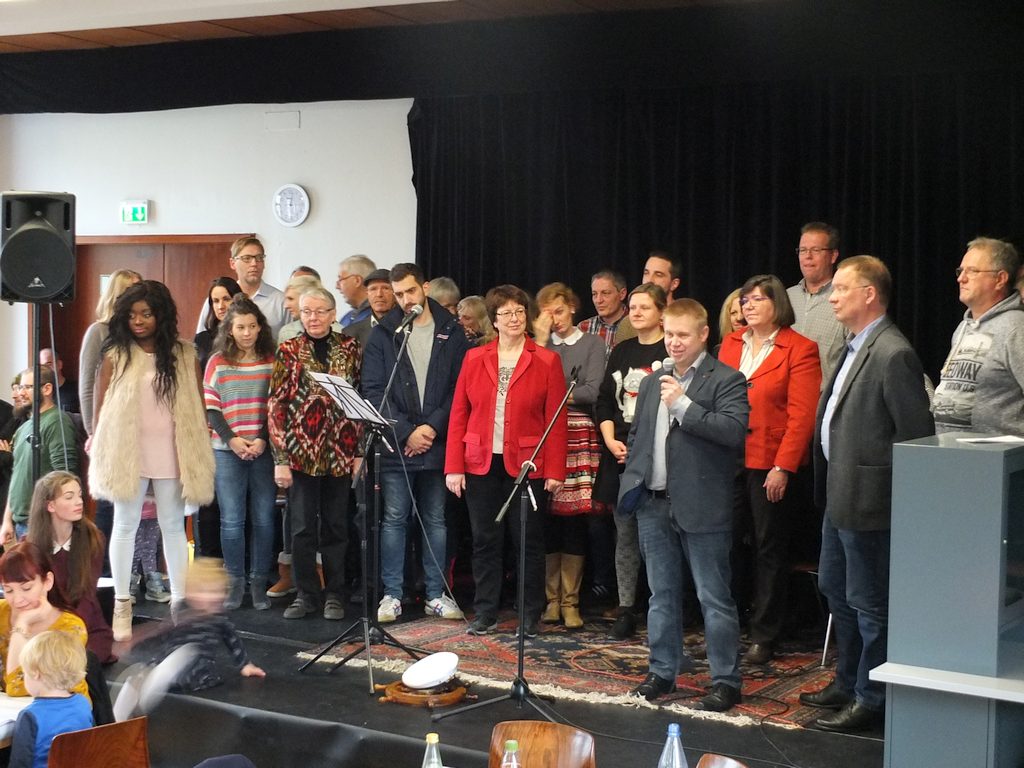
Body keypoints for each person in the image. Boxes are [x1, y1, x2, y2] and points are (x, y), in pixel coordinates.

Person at [799, 256, 933, 734]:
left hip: (871, 503)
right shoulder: (853, 345)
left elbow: (916, 438)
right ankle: (847, 682)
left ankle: (871, 698)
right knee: (837, 592)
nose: (832, 297)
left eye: (841, 289)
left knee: (870, 604)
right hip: (840, 495)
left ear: (869, 294)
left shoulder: (893, 353)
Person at [621, 299, 749, 711]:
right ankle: (662, 672)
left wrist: (683, 405)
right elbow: (639, 435)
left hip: (703, 505)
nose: (674, 343)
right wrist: (634, 480)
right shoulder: (652, 381)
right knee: (660, 595)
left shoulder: (727, 379)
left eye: (682, 335)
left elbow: (733, 432)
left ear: (703, 334)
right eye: (669, 334)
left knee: (714, 597)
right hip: (654, 504)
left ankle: (725, 681)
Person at [89, 280, 215, 641]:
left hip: (172, 449)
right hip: (128, 449)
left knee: (173, 526)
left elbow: (196, 404)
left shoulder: (184, 354)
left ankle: (179, 605)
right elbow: (102, 403)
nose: (138, 321)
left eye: (146, 314)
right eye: (132, 315)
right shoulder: (116, 353)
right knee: (125, 524)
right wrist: (97, 439)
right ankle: (122, 603)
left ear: (161, 314)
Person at [445, 284, 568, 637]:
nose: (514, 318)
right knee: (485, 540)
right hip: (480, 462)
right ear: (494, 320)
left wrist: (555, 469)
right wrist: (454, 466)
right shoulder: (474, 357)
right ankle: (486, 611)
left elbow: (556, 419)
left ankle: (529, 614)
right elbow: (459, 413)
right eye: (506, 313)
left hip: (527, 465)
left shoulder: (546, 360)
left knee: (527, 541)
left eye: (519, 312)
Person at [718, 275, 821, 664]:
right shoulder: (731, 344)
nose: (748, 306)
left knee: (768, 548)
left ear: (777, 303)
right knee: (726, 543)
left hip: (770, 462)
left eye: (757, 299)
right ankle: (727, 623)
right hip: (729, 458)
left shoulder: (801, 348)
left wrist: (783, 466)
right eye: (745, 300)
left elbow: (802, 416)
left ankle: (764, 633)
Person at [362, 263, 470, 623]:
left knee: (436, 519)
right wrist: (407, 431)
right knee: (394, 519)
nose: (405, 299)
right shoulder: (384, 334)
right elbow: (374, 391)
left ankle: (435, 594)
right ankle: (392, 594)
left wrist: (431, 429)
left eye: (410, 291)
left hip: (437, 443)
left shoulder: (451, 330)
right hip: (398, 443)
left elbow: (460, 388)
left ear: (425, 287)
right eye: (399, 294)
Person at [268, 287, 362, 621]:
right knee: (302, 529)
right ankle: (305, 595)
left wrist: (359, 452)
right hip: (300, 454)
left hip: (340, 452)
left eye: (320, 311)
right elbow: (276, 405)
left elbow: (360, 400)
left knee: (337, 526)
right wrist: (280, 459)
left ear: (333, 314)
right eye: (307, 311)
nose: (313, 317)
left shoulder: (350, 347)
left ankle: (335, 593)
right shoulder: (288, 350)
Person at [593, 283, 668, 639]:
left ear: (662, 312)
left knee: (657, 537)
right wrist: (610, 440)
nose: (636, 313)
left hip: (657, 456)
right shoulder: (622, 351)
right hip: (620, 453)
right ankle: (626, 608)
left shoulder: (670, 350)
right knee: (624, 534)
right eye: (633, 307)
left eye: (644, 307)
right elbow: (605, 401)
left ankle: (661, 605)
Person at [532, 283, 606, 629]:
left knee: (575, 519)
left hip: (578, 436)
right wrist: (541, 341)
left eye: (559, 311)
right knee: (548, 519)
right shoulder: (539, 346)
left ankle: (571, 601)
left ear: (573, 308)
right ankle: (551, 600)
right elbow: (532, 387)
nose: (555, 320)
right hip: (545, 437)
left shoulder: (591, 344)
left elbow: (591, 390)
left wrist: (554, 393)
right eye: (547, 314)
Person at [204, 296, 277, 611]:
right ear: (229, 330)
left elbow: (276, 405)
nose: (247, 333)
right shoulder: (217, 361)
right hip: (226, 451)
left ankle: (259, 583)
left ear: (260, 327)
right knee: (232, 520)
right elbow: (211, 407)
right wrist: (232, 439)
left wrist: (261, 438)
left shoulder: (272, 360)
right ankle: (235, 583)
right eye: (240, 327)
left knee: (264, 519)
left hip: (263, 449)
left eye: (252, 326)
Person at [78, 268, 143, 571]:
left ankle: (135, 573)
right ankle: (103, 573)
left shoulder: (142, 334)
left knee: (138, 508)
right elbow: (87, 385)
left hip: (140, 432)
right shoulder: (99, 331)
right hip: (108, 433)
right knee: (108, 506)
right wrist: (94, 431)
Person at [933, 237, 1024, 435]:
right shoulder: (962, 328)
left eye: (972, 271)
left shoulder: (1017, 328)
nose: (961, 278)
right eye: (960, 271)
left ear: (1000, 279)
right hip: (952, 449)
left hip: (1002, 453)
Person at [27, 471, 115, 664]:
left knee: (74, 661)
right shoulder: (31, 546)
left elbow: (86, 595)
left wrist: (67, 633)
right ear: (50, 505)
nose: (79, 502)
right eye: (69, 497)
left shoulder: (93, 539)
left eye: (79, 495)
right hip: (45, 625)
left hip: (86, 625)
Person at [0, 542, 90, 700]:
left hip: (64, 710)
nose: (17, 599)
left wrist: (21, 624)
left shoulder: (71, 627)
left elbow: (17, 686)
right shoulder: (2, 611)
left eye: (26, 588)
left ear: (48, 581)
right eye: (8, 590)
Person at [1, 366, 79, 544]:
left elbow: (65, 476)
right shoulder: (23, 428)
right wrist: (7, 520)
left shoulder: (56, 422)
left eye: (27, 387)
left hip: (44, 523)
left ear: (47, 389)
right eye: (20, 387)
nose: (20, 393)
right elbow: (16, 476)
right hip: (22, 522)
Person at [7, 630, 93, 768]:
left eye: (24, 673)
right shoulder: (83, 704)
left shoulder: (30, 716)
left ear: (36, 673)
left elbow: (19, 764)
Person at [787, 222, 847, 385]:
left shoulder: (845, 299)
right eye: (803, 250)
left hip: (826, 398)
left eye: (816, 250)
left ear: (833, 256)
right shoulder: (786, 297)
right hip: (785, 397)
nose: (808, 256)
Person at [195, 237, 289, 338]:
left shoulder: (281, 301)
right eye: (247, 258)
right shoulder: (217, 300)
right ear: (232, 263)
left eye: (259, 258)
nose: (254, 264)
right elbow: (202, 339)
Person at [577, 269, 637, 359]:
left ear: (622, 294)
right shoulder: (584, 328)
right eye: (594, 294)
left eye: (605, 293)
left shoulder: (636, 323)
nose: (598, 300)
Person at [193, 276, 243, 373]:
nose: (220, 306)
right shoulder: (202, 339)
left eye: (226, 299)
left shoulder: (248, 336)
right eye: (216, 301)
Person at [346, 268, 396, 348]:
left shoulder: (408, 327)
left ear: (396, 293)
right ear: (367, 294)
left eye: (385, 288)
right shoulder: (350, 333)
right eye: (373, 289)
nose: (379, 294)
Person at [336, 254, 376, 328]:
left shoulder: (377, 317)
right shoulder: (346, 318)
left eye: (340, 279)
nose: (337, 286)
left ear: (357, 281)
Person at [38, 349, 79, 414]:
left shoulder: (76, 389)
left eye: (48, 364)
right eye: (41, 366)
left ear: (59, 365)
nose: (45, 369)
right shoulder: (38, 393)